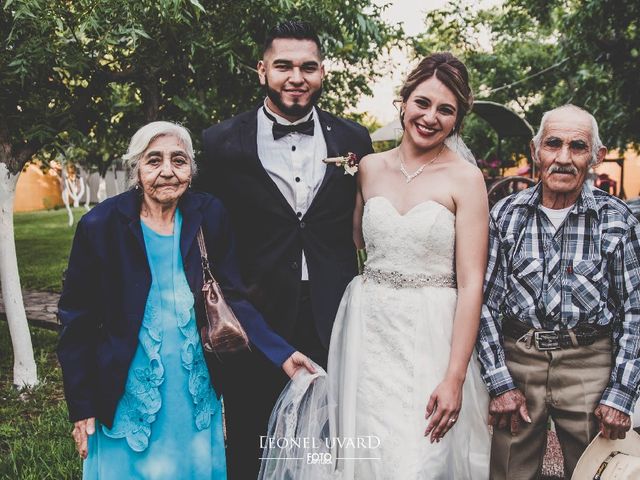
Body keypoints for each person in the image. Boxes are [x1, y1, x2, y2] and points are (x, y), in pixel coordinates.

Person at [57, 121, 314, 479]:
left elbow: (232, 296)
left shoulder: (208, 214)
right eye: (154, 160)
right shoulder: (101, 225)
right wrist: (82, 404)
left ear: (191, 170)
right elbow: (77, 320)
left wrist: (282, 353)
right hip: (127, 385)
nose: (167, 171)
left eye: (179, 160)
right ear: (137, 168)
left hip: (192, 385)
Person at [196, 21, 373, 478]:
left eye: (308, 67)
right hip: (253, 315)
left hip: (333, 315)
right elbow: (208, 238)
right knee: (253, 438)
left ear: (322, 73)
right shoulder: (220, 142)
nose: (297, 77)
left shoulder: (353, 139)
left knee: (331, 440)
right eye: (284, 66)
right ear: (262, 70)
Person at [325, 52, 491, 479]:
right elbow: (358, 241)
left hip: (431, 335)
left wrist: (454, 377)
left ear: (457, 120)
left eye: (445, 110)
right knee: (368, 455)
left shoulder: (466, 180)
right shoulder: (368, 168)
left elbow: (472, 284)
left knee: (422, 460)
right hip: (369, 329)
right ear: (404, 102)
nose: (430, 117)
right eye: (422, 102)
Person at [476, 104, 640, 479]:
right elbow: (484, 303)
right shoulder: (506, 215)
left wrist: (621, 393)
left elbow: (635, 310)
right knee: (508, 471)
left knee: (597, 471)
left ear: (596, 156)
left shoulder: (617, 220)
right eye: (553, 144)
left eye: (577, 147)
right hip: (519, 360)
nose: (563, 158)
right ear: (536, 151)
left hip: (590, 362)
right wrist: (500, 383)